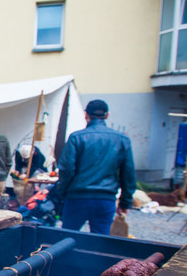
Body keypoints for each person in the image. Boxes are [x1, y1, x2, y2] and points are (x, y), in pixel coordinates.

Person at [55, 99, 135, 235]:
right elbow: (128, 174)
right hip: (105, 198)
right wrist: (125, 202)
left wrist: (61, 193)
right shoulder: (122, 139)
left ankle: (67, 257)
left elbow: (66, 170)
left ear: (86, 114)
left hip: (76, 197)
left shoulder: (76, 137)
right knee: (100, 241)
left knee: (66, 238)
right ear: (107, 115)